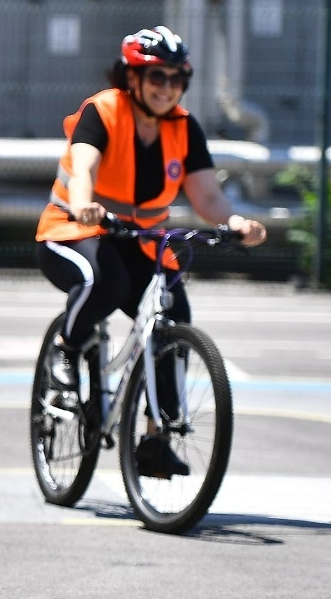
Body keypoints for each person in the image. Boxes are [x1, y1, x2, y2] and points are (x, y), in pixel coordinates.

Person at [36, 26, 266, 478]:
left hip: (139, 241)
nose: (167, 88)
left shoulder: (184, 128)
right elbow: (83, 166)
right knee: (105, 282)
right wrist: (84, 205)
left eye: (176, 79)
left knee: (174, 312)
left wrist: (234, 223)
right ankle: (66, 347)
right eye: (156, 76)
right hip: (70, 232)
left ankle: (155, 437)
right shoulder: (103, 111)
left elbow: (208, 198)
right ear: (133, 77)